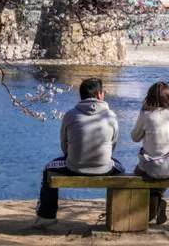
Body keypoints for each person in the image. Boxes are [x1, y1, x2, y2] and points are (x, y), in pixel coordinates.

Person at [35, 78, 123, 227]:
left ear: (81, 95)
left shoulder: (70, 115)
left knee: (48, 169)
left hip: (74, 166)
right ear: (100, 94)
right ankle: (119, 215)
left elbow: (64, 145)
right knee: (122, 169)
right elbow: (113, 144)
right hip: (104, 167)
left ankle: (46, 216)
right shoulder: (111, 116)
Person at [131, 81, 169, 225]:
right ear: (168, 97)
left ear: (149, 97)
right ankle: (157, 203)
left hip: (153, 166)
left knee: (139, 173)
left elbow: (134, 137)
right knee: (160, 172)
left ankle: (151, 210)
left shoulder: (146, 115)